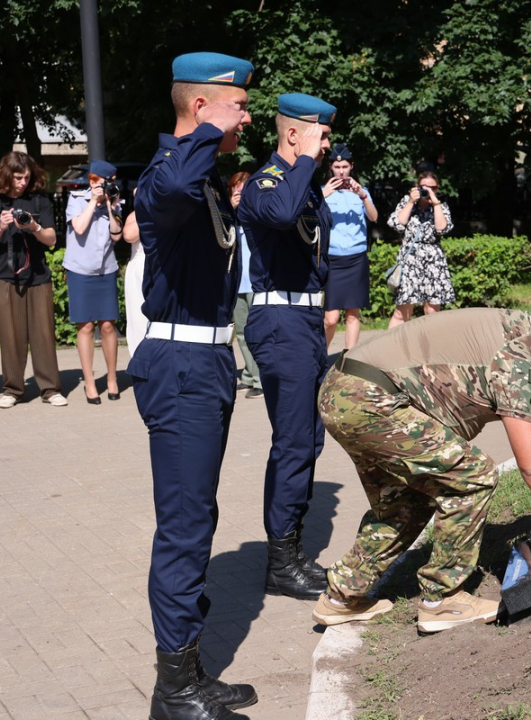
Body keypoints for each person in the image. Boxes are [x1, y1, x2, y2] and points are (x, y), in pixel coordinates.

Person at [311, 303, 531, 632]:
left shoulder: (517, 332)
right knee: (473, 478)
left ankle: (342, 596)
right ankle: (441, 601)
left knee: (405, 502)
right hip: (369, 398)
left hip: (346, 389)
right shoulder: (516, 358)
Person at [127, 52, 257, 720]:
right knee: (183, 530)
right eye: (238, 103)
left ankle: (190, 670)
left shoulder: (204, 181)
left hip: (206, 365)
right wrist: (207, 131)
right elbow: (168, 194)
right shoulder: (169, 174)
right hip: (179, 370)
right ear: (201, 106)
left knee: (198, 520)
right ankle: (173, 688)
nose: (248, 114)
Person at [238, 92, 336, 601]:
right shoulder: (268, 182)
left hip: (305, 318)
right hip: (279, 318)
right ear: (293, 134)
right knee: (294, 442)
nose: (325, 146)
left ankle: (292, 550)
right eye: (318, 135)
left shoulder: (306, 186)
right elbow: (279, 214)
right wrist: (303, 164)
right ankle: (280, 561)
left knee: (308, 439)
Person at [0, 151, 67, 408]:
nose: (22, 182)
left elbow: (51, 239)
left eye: (26, 177)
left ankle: (50, 389)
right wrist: (1, 227)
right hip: (5, 277)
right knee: (10, 335)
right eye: (18, 177)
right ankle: (13, 389)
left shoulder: (38, 201)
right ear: (6, 175)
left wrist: (33, 227)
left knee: (43, 334)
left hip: (38, 276)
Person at [64, 160, 123, 404]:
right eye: (102, 182)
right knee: (85, 326)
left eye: (110, 182)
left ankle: (112, 379)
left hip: (106, 269)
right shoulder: (76, 199)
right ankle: (89, 382)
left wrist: (110, 206)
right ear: (92, 181)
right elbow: (78, 228)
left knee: (108, 325)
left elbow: (117, 235)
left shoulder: (116, 200)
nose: (107, 186)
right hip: (80, 270)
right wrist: (92, 202)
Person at [322, 143, 377, 349]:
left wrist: (362, 195)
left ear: (351, 166)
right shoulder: (322, 192)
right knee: (331, 318)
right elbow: (310, 218)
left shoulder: (362, 193)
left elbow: (374, 217)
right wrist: (323, 195)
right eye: (337, 167)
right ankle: (320, 360)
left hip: (356, 259)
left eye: (345, 167)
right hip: (333, 259)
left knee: (353, 315)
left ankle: (349, 361)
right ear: (331, 168)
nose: (341, 171)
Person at [387, 170, 454, 329]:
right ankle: (390, 349)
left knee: (432, 311)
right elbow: (396, 224)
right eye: (424, 187)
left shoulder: (441, 205)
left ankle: (431, 350)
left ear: (437, 189)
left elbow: (441, 229)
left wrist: (435, 203)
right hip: (410, 259)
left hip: (433, 261)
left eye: (432, 188)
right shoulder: (407, 202)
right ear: (417, 187)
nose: (427, 191)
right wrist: (411, 202)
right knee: (403, 310)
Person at [227, 171, 262, 399]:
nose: (239, 191)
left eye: (243, 187)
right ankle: (248, 375)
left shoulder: (256, 212)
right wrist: (230, 209)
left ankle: (261, 379)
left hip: (256, 281)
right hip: (237, 282)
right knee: (240, 332)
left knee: (256, 332)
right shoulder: (227, 213)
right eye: (235, 187)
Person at [121, 190, 147, 356]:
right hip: (140, 271)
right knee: (139, 319)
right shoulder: (136, 215)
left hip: (165, 267)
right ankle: (142, 363)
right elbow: (129, 235)